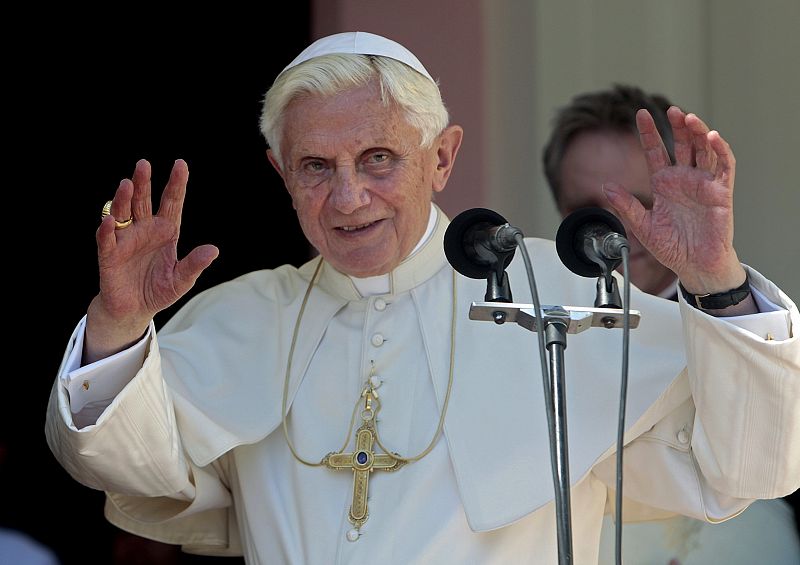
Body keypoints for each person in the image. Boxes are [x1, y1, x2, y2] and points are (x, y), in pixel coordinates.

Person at [45, 31, 800, 564]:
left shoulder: (563, 300)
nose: (348, 197)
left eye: (378, 158)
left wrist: (717, 280)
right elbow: (128, 466)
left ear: (441, 158)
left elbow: (748, 468)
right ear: (279, 173)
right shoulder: (247, 319)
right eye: (315, 166)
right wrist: (118, 323)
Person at [543, 83, 800, 564]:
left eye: (640, 204)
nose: (617, 230)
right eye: (588, 211)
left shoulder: (749, 328)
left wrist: (714, 279)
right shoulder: (537, 331)